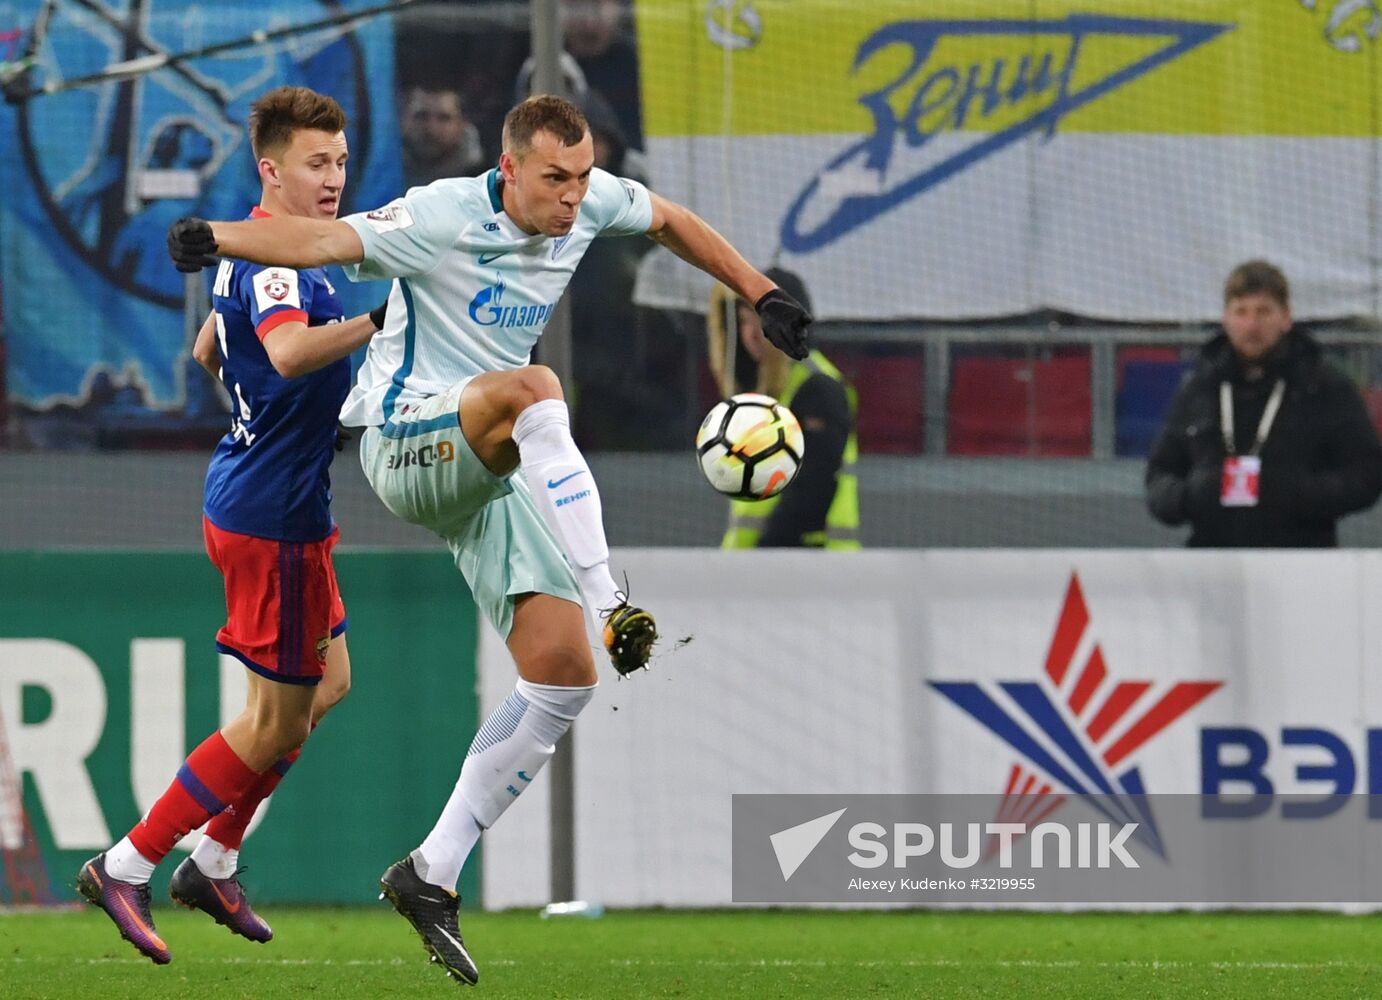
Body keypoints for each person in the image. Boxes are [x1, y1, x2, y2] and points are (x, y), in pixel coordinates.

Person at [165, 93, 811, 985]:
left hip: (488, 457)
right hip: (405, 440)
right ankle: (612, 600)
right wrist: (218, 238)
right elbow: (320, 242)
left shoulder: (587, 201)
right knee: (534, 386)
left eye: (582, 177)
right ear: (508, 169)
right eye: (554, 179)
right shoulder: (438, 214)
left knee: (563, 676)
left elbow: (669, 219)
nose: (572, 196)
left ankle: (430, 872)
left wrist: (761, 292)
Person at [77, 86, 388, 965]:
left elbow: (210, 348)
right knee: (272, 723)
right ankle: (127, 863)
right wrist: (376, 321)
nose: (333, 178)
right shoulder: (282, 266)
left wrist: (275, 412)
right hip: (272, 516)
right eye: (316, 163)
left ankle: (213, 860)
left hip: (270, 496)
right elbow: (285, 351)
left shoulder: (258, 247)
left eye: (339, 160)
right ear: (270, 170)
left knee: (328, 685)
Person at [1146, 259, 1382, 546]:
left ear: (1286, 318)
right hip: (1213, 558)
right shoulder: (1199, 388)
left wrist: (1297, 494)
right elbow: (1158, 477)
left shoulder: (1325, 387)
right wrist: (1192, 496)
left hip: (1302, 557)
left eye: (1263, 312)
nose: (1251, 325)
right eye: (1241, 312)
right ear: (1226, 319)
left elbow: (1367, 474)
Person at [707, 268, 860, 548]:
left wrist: (766, 553)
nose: (751, 333)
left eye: (761, 320)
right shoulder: (763, 391)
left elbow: (815, 487)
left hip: (812, 560)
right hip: (760, 564)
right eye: (744, 321)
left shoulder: (818, 387)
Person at [399, 84, 488, 189]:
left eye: (444, 118)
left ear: (462, 124)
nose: (431, 128)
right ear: (403, 118)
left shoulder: (482, 185)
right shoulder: (385, 172)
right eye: (421, 116)